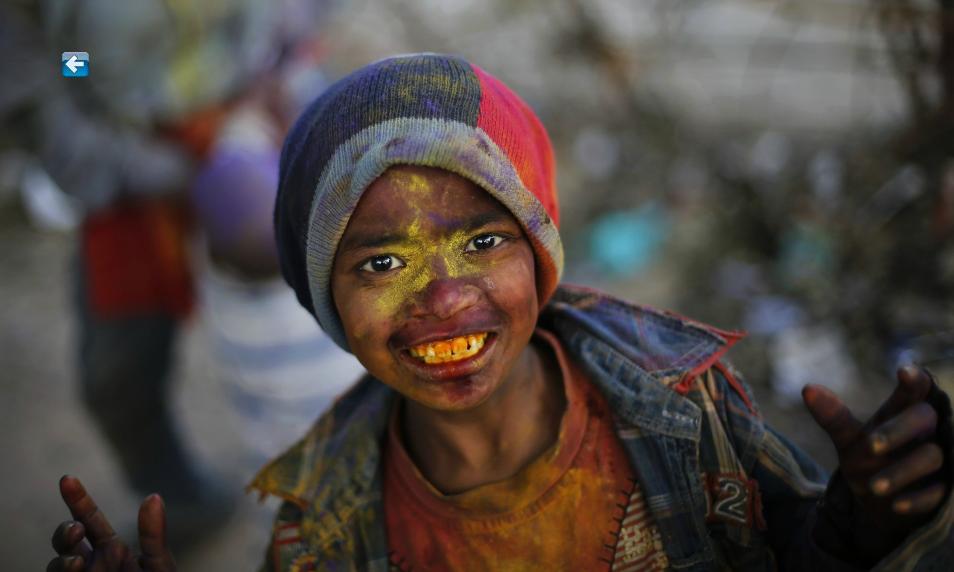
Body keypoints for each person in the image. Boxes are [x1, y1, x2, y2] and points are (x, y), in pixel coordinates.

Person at [47, 53, 953, 571]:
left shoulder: (687, 409)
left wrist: (848, 530)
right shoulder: (316, 527)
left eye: (483, 243)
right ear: (324, 302)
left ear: (544, 247)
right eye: (383, 262)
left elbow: (786, 547)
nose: (444, 299)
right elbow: (53, 78)